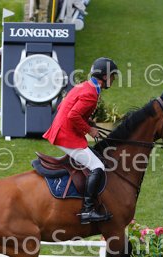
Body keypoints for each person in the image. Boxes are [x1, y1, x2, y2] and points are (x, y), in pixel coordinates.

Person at [43, 57, 119, 224]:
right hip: (65, 135)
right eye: (112, 76)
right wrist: (89, 129)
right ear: (104, 76)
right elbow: (73, 115)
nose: (113, 79)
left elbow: (65, 107)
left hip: (62, 130)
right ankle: (87, 210)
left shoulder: (85, 86)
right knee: (97, 166)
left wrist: (87, 122)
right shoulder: (91, 93)